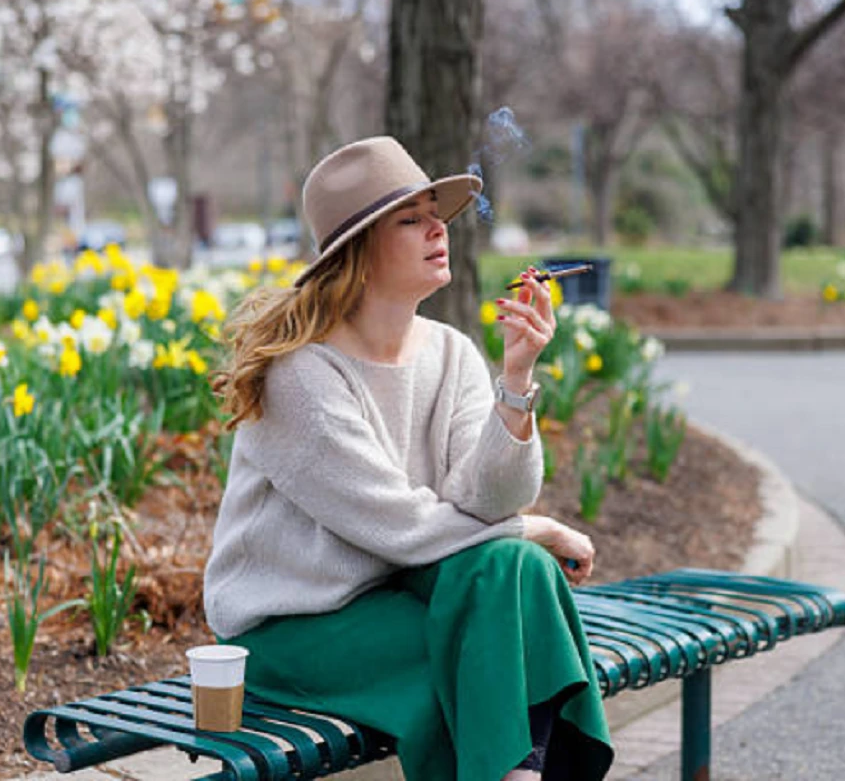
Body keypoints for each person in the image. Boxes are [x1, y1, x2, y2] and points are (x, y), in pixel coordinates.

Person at [205, 136, 613, 781]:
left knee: (514, 571)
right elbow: (397, 526)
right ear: (358, 251)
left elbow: (490, 500)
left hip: (405, 591)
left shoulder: (449, 352)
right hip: (296, 625)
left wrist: (516, 380)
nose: (437, 229)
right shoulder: (301, 375)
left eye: (436, 215)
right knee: (486, 654)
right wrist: (538, 528)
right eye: (410, 219)